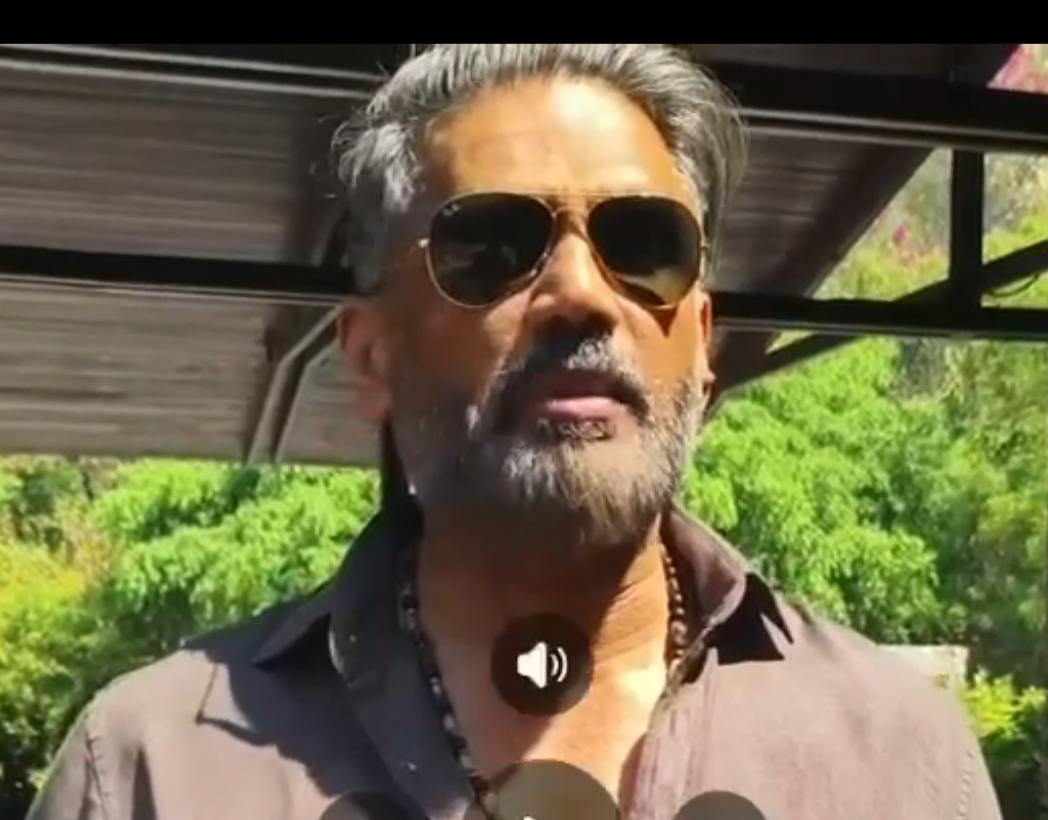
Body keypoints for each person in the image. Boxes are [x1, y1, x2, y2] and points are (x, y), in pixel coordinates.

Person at [29, 43, 1000, 820]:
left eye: (642, 243)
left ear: (703, 344)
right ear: (372, 354)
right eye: (491, 244)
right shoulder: (151, 768)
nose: (581, 293)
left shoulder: (902, 760)